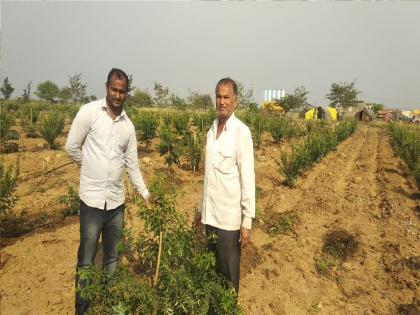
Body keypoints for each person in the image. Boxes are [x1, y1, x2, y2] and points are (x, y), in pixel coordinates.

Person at [65, 68, 150, 315]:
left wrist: (145, 193)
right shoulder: (89, 113)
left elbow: (132, 165)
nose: (118, 95)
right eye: (114, 89)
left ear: (127, 94)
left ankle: (107, 303)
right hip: (91, 201)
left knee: (111, 258)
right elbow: (71, 147)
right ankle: (82, 309)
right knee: (86, 259)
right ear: (106, 87)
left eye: (122, 91)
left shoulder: (128, 127)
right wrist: (89, 164)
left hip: (115, 204)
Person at [195, 77, 255, 296]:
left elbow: (248, 178)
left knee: (228, 281)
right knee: (211, 277)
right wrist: (200, 210)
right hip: (210, 217)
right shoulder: (211, 131)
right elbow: (208, 176)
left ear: (235, 101)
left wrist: (247, 220)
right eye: (219, 97)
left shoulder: (241, 132)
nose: (222, 101)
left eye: (226, 97)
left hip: (229, 222)